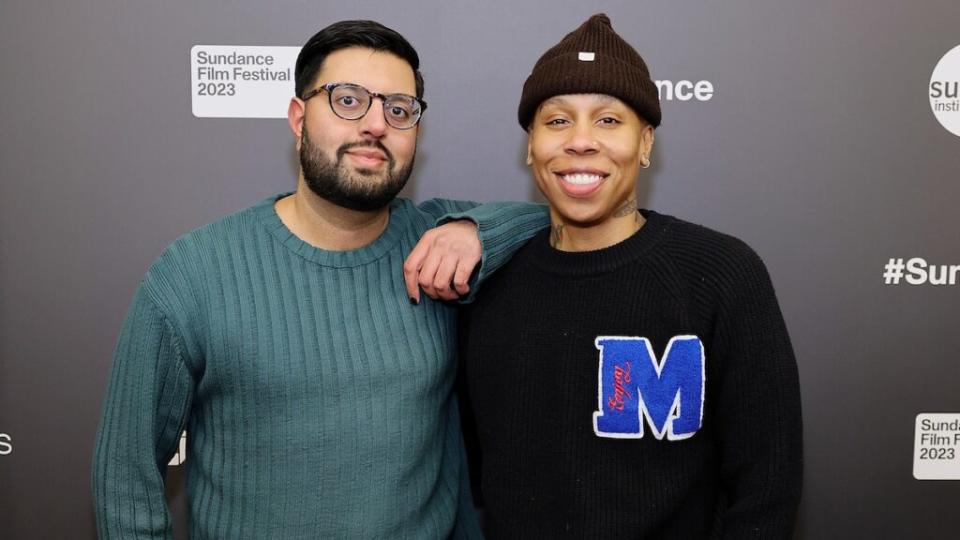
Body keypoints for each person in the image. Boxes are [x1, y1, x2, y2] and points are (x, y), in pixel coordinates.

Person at [92, 19, 546, 539]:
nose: (376, 124)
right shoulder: (194, 274)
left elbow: (567, 218)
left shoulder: (438, 247)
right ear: (298, 117)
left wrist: (480, 230)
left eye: (399, 109)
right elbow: (124, 479)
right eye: (348, 100)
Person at [458, 14, 803, 538]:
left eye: (608, 120)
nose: (580, 141)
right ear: (530, 145)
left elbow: (766, 489)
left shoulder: (722, 274)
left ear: (645, 145)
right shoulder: (490, 283)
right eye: (557, 121)